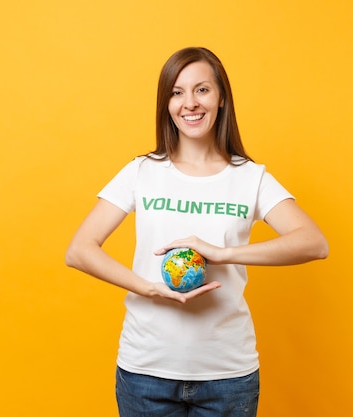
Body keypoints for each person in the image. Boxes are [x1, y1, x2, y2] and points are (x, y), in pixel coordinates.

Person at [65, 46, 328, 417]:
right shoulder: (143, 171)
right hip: (146, 372)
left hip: (228, 376)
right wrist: (148, 288)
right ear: (166, 104)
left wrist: (224, 253)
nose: (190, 103)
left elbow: (314, 243)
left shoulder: (250, 178)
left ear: (221, 98)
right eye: (177, 92)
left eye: (202, 90)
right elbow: (79, 250)